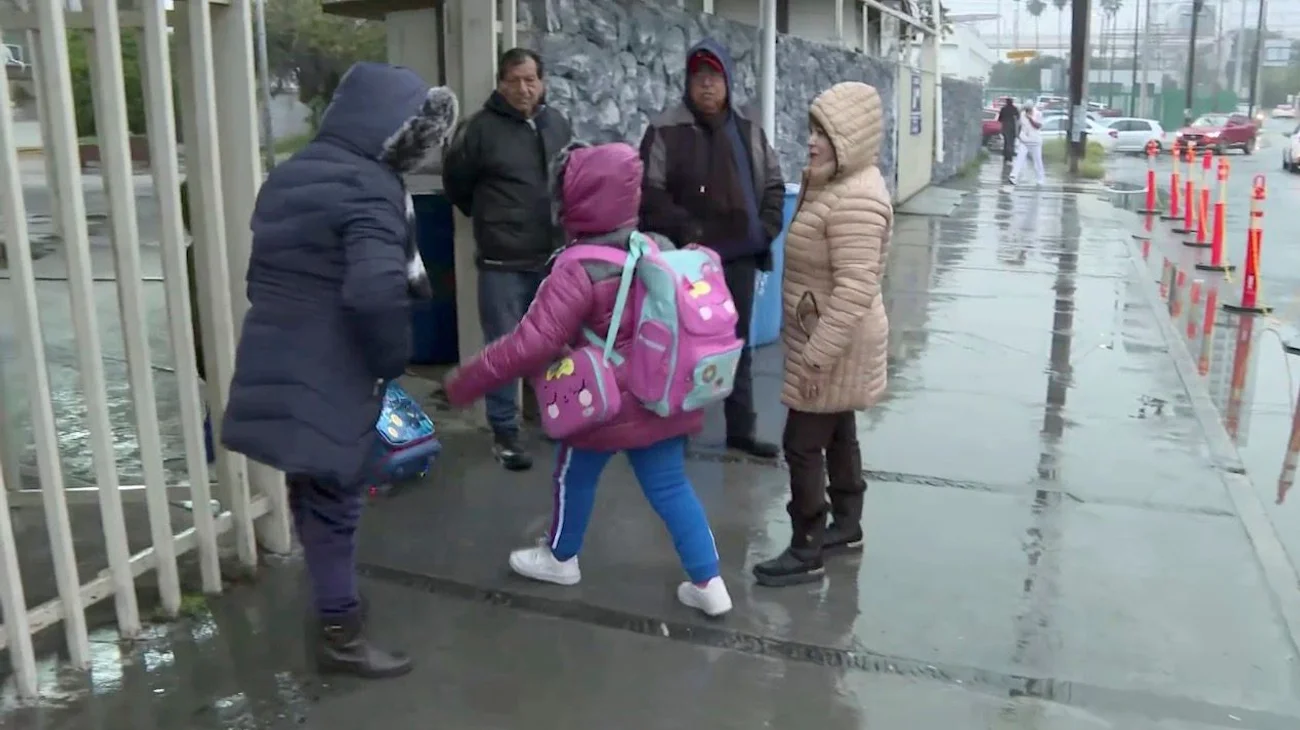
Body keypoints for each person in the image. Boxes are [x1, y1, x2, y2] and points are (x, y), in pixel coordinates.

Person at [221, 62, 459, 678]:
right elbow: (375, 292)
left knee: (318, 485)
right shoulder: (369, 185)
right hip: (333, 366)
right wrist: (389, 362)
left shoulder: (291, 175)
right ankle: (340, 633)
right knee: (338, 497)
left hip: (279, 351)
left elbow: (261, 273)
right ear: (393, 127)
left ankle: (335, 601)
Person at [444, 142, 733, 617]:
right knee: (671, 487)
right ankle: (710, 583)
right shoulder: (654, 247)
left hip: (601, 406)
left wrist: (467, 381)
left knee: (572, 478)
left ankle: (560, 557)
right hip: (658, 396)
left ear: (574, 197)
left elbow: (529, 345)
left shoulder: (575, 267)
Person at [753, 81, 892, 587]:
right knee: (837, 431)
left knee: (802, 442)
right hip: (830, 340)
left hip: (833, 344)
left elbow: (854, 290)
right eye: (812, 130)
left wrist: (814, 359)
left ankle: (806, 546)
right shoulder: (834, 182)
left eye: (824, 134)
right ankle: (848, 524)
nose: (811, 142)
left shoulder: (856, 199)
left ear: (849, 139)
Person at [637, 39, 786, 459]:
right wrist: (687, 231)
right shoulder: (664, 130)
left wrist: (766, 229)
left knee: (737, 346)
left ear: (728, 83)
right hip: (686, 262)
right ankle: (672, 434)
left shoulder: (749, 130)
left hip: (738, 255)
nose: (706, 86)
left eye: (714, 77)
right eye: (699, 77)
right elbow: (649, 193)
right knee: (680, 346)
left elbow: (774, 184)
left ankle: (741, 430)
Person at [442, 47, 573, 472]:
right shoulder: (479, 130)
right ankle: (505, 431)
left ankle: (559, 418)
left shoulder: (556, 123)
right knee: (505, 348)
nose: (523, 88)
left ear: (543, 82)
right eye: (514, 80)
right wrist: (492, 221)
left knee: (554, 345)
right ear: (501, 83)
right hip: (502, 262)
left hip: (551, 259)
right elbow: (457, 185)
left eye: (531, 79)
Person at [1009, 101, 1046, 187]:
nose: (1027, 111)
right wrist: (1018, 134)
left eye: (1028, 110)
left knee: (1037, 161)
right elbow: (1019, 124)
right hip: (1024, 141)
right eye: (1026, 110)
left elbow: (1038, 126)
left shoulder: (1038, 114)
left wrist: (1030, 119)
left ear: (1032, 109)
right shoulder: (1022, 114)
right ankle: (1013, 176)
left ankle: (1040, 179)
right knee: (1019, 159)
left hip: (1035, 141)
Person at [997, 97, 1018, 163]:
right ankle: (1010, 157)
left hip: (1005, 127)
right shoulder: (1014, 109)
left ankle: (1006, 157)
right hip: (1012, 128)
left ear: (1006, 102)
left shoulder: (1003, 109)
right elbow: (1018, 117)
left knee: (1006, 142)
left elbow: (999, 119)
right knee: (1011, 143)